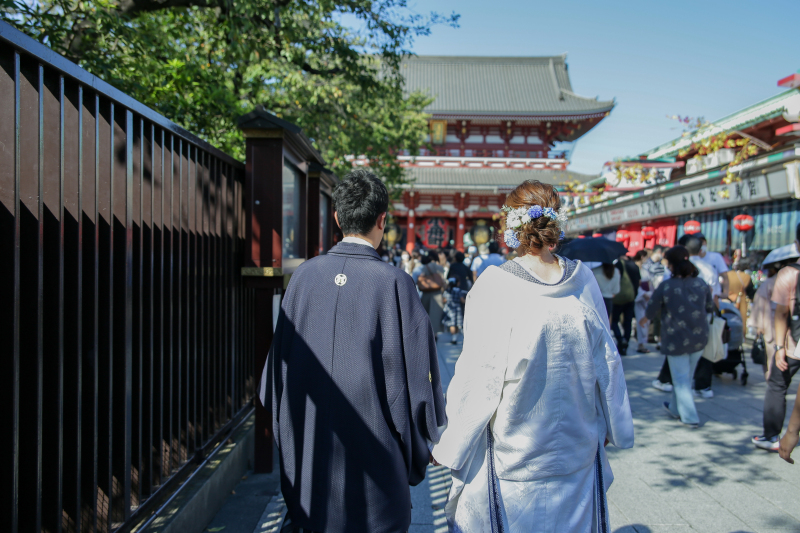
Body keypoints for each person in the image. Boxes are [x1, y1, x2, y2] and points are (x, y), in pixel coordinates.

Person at [431, 179, 634, 532]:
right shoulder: (583, 280)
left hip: (516, 451)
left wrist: (452, 444)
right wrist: (613, 421)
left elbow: (480, 378)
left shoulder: (495, 284)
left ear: (510, 225)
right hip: (577, 446)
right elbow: (608, 361)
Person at [260, 169, 446, 533]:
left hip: (309, 462)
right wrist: (427, 442)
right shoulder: (395, 283)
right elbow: (418, 381)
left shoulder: (302, 278)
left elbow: (276, 378)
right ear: (382, 220)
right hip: (376, 462)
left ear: (336, 217)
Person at [642, 245, 713, 427]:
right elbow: (710, 307)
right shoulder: (701, 283)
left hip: (676, 339)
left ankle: (690, 417)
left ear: (671, 265)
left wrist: (644, 320)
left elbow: (652, 308)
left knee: (681, 379)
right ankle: (675, 408)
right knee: (684, 377)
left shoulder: (667, 286)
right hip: (699, 337)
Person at [753, 226, 800, 452]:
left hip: (792, 343)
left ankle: (771, 435)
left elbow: (782, 313)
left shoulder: (789, 274)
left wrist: (779, 346)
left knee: (777, 385)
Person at [611, 254, 641, 355]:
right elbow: (639, 281)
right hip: (631, 296)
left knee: (614, 320)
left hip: (619, 297)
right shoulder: (634, 265)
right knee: (628, 321)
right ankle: (626, 341)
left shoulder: (619, 264)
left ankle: (620, 339)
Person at [418, 251, 446, 336]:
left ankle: (426, 333)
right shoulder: (440, 267)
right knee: (436, 315)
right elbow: (443, 282)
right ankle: (435, 334)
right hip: (437, 293)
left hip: (426, 293)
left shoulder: (424, 267)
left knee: (425, 314)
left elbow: (420, 279)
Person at [633, 250, 653, 354]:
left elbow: (649, 283)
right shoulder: (635, 268)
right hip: (640, 295)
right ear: (642, 257)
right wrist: (643, 293)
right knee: (640, 318)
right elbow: (636, 284)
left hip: (647, 296)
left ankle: (642, 342)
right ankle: (641, 343)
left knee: (646, 320)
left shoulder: (645, 269)